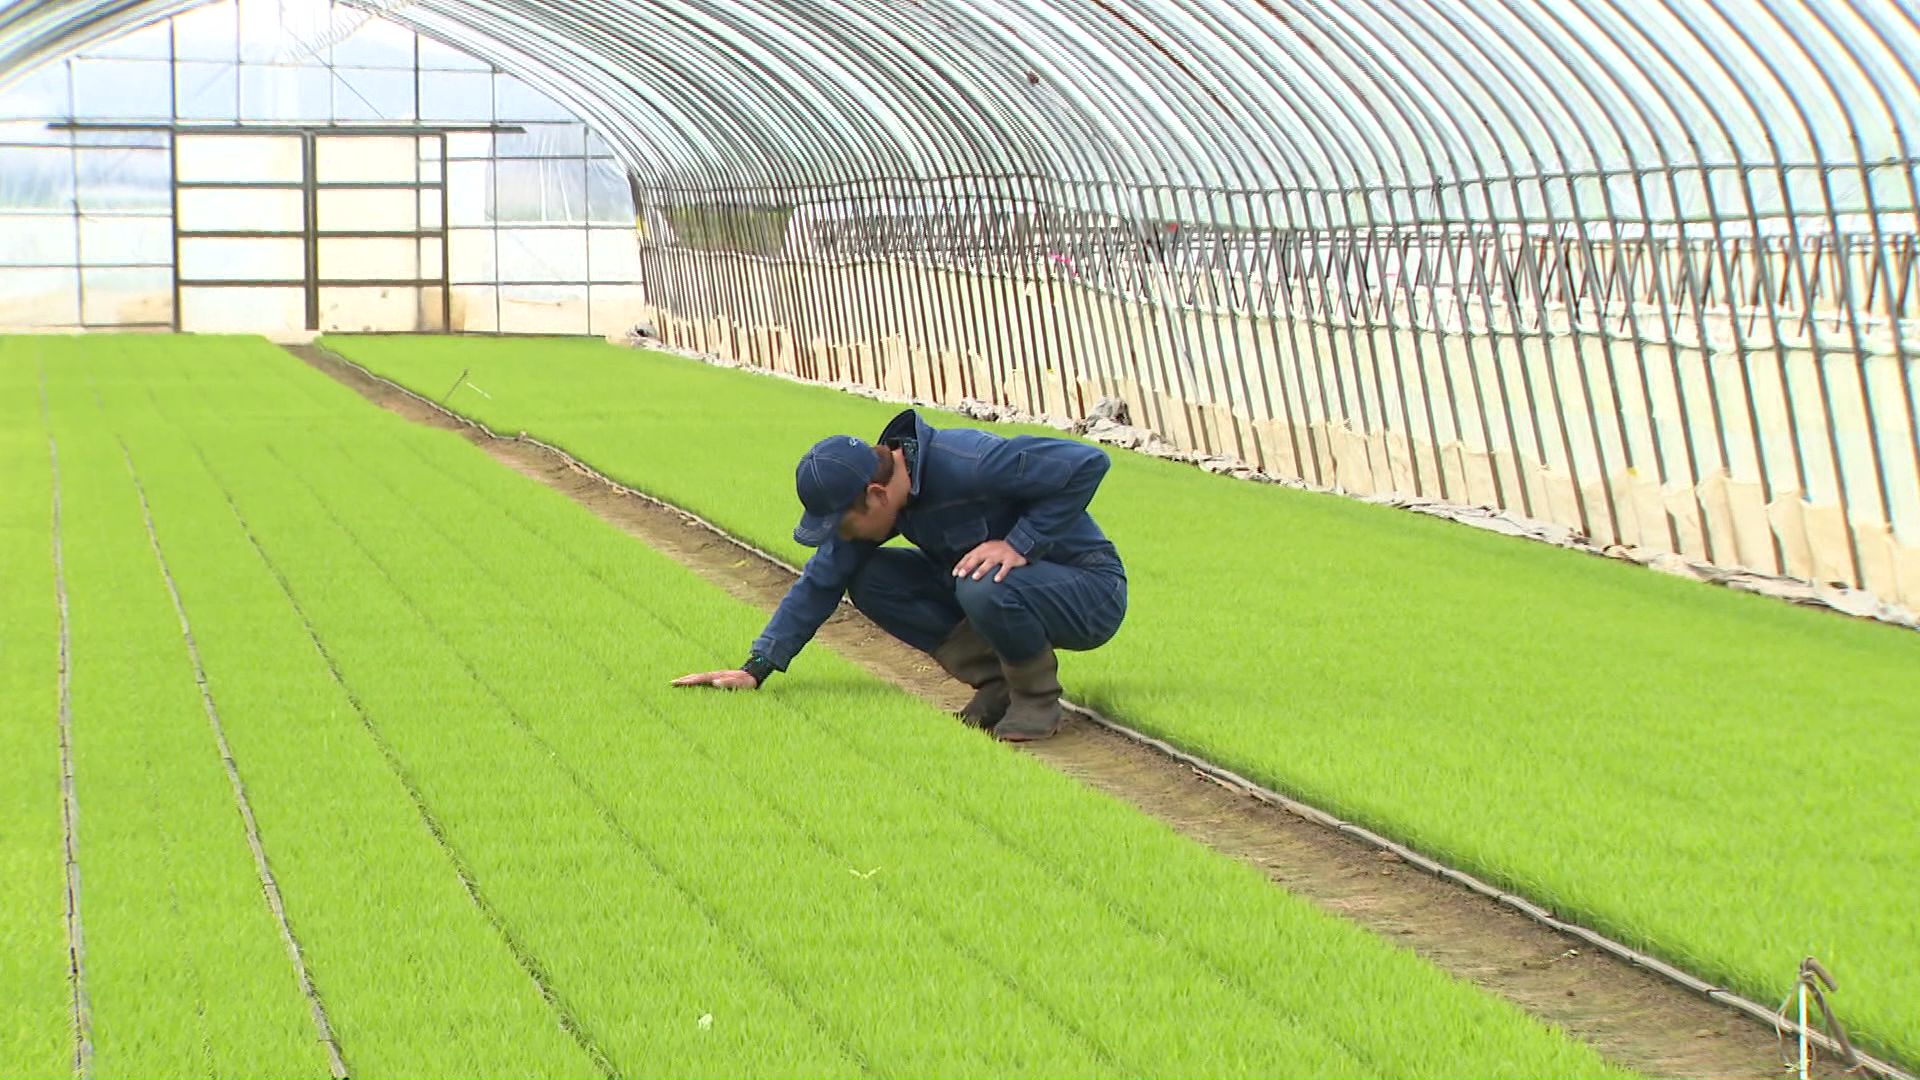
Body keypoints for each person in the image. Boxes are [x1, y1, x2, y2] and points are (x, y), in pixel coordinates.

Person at [672, 407, 1128, 741]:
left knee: (980, 579)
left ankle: (1035, 698)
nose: (843, 537)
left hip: (1087, 589)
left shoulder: (970, 462)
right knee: (871, 577)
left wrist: (1019, 543)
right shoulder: (884, 500)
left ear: (874, 495)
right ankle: (997, 684)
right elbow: (821, 581)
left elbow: (1088, 463)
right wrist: (757, 667)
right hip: (997, 590)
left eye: (844, 525)